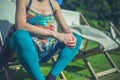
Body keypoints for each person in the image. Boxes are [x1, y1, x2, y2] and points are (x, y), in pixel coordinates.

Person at [0, 0, 82, 80]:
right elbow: (20, 26)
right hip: (24, 46)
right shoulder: (24, 1)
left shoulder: (53, 4)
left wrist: (70, 37)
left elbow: (66, 29)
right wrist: (55, 34)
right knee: (20, 34)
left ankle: (51, 77)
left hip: (46, 48)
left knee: (76, 38)